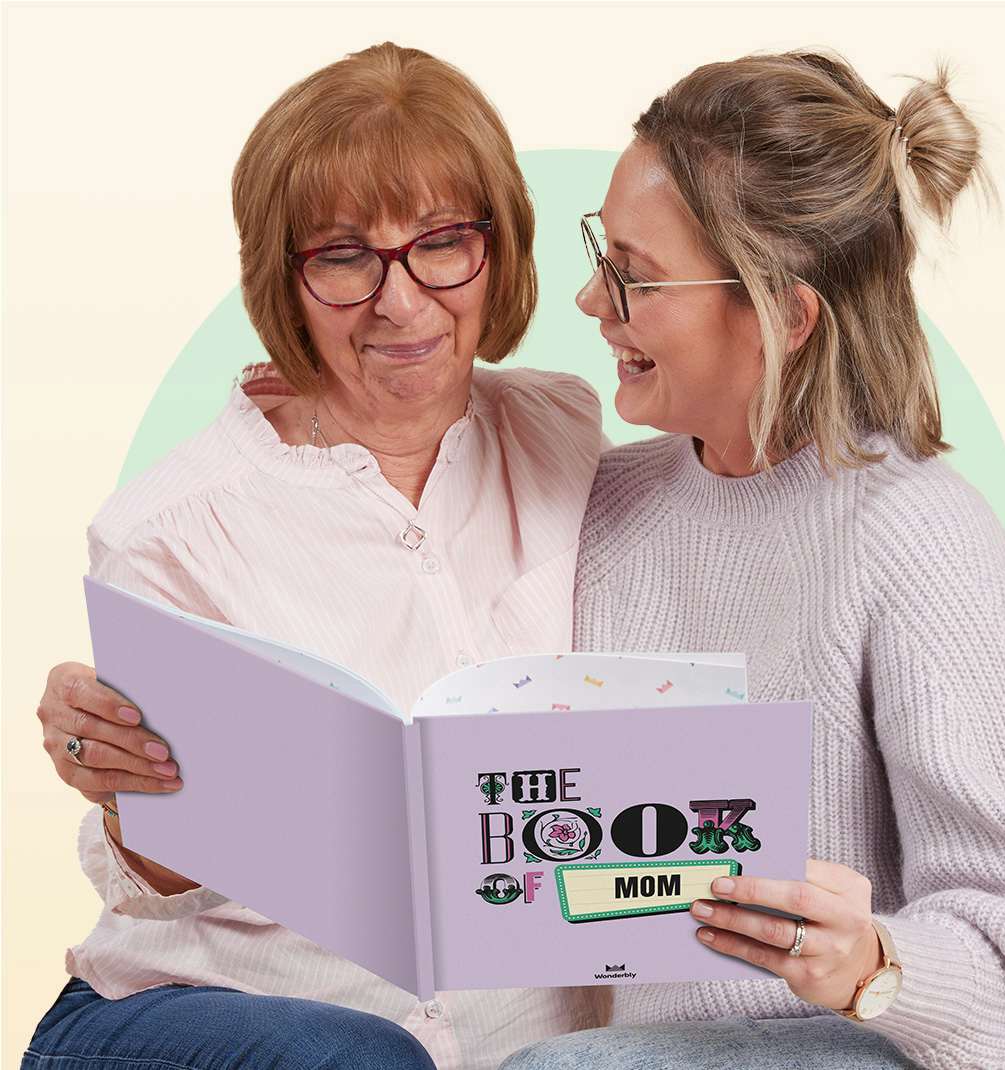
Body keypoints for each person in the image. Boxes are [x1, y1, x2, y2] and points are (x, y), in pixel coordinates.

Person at [500, 50, 1005, 1070]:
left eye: (634, 278)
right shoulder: (611, 502)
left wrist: (871, 960)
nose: (589, 302)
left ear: (782, 314)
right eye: (603, 252)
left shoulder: (918, 540)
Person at [24, 43, 606, 1070]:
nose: (399, 300)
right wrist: (125, 786)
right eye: (343, 256)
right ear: (284, 278)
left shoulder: (561, 430)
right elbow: (170, 877)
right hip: (209, 1010)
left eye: (440, 241)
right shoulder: (172, 525)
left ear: (498, 247)